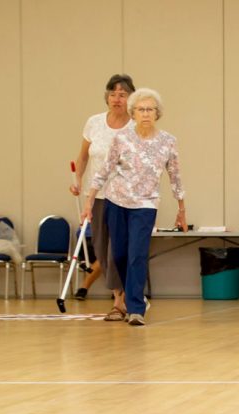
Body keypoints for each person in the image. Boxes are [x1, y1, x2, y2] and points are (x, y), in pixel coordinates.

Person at [82, 87, 186, 326]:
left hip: (146, 204)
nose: (146, 113)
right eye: (141, 109)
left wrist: (181, 210)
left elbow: (175, 177)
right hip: (116, 201)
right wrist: (90, 200)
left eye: (150, 109)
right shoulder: (122, 139)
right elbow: (104, 171)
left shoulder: (167, 142)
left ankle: (136, 308)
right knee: (119, 254)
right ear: (134, 113)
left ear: (157, 113)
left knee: (137, 254)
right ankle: (131, 295)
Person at [69, 74, 135, 312]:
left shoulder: (135, 126)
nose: (117, 99)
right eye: (113, 93)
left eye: (122, 94)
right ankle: (121, 292)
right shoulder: (94, 122)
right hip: (96, 195)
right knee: (100, 247)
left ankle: (120, 299)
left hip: (125, 197)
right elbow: (84, 157)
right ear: (107, 97)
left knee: (117, 247)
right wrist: (77, 180)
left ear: (130, 98)